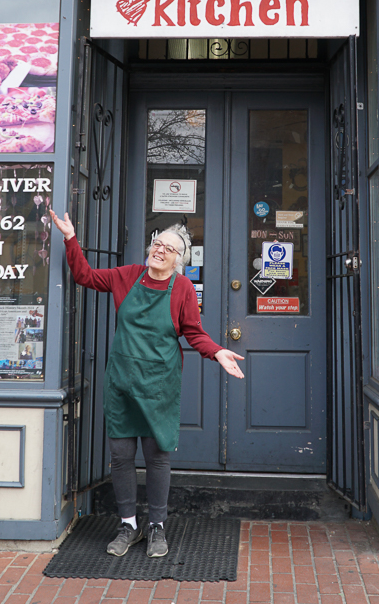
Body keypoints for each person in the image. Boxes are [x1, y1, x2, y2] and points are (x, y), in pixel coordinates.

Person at [51, 211, 244, 560]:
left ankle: (157, 526)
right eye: (157, 244)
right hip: (122, 383)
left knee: (157, 458)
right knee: (121, 457)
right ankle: (128, 524)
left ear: (178, 260)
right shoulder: (127, 276)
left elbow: (194, 333)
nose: (160, 250)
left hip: (159, 386)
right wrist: (70, 238)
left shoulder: (182, 288)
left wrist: (216, 352)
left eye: (169, 248)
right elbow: (84, 275)